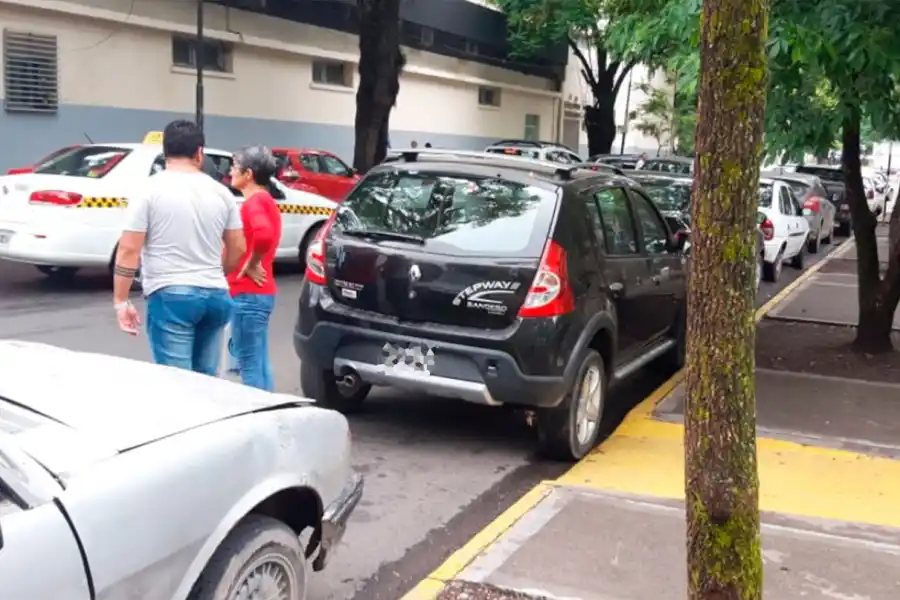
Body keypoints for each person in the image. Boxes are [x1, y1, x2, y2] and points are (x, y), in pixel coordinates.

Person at [113, 120, 246, 375]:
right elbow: (238, 247)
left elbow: (129, 249)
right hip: (216, 294)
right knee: (206, 381)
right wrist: (219, 271)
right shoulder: (222, 193)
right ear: (200, 153)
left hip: (171, 295)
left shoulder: (149, 190)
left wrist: (121, 301)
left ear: (165, 153)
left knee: (178, 384)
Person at [225, 146, 282, 391]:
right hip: (260, 292)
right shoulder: (266, 200)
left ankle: (259, 413)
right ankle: (271, 410)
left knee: (249, 363)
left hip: (247, 293)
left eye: (234, 167)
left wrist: (250, 262)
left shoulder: (253, 203)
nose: (230, 172)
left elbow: (264, 235)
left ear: (248, 174)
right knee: (257, 360)